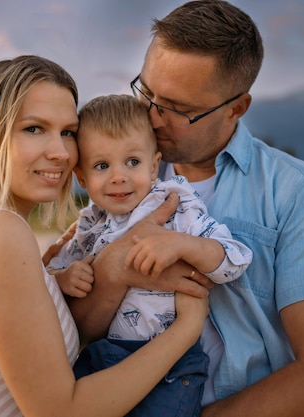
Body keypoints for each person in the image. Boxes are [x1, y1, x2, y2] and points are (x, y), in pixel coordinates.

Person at [57, 2, 304, 416]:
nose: (152, 118)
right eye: (147, 92)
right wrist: (114, 269)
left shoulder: (302, 195)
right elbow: (81, 330)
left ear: (236, 108)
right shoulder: (120, 184)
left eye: (178, 108)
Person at [0, 55, 210, 417]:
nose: (60, 152)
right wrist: (186, 330)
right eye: (34, 129)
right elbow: (62, 411)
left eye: (68, 132)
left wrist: (75, 276)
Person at [47, 94, 252, 416]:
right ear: (82, 177)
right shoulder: (89, 222)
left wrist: (185, 245)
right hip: (103, 356)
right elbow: (50, 274)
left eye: (133, 162)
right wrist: (62, 278)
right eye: (102, 165)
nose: (119, 176)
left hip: (169, 364)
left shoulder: (176, 206)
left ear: (155, 164)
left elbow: (235, 260)